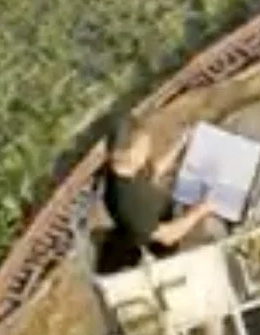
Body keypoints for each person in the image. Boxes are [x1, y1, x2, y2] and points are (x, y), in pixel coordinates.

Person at [94, 118, 220, 275]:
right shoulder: (128, 203)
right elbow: (168, 236)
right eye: (144, 147)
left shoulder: (126, 167)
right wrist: (200, 210)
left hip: (162, 215)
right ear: (130, 153)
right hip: (158, 248)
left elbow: (152, 173)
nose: (148, 150)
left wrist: (181, 144)